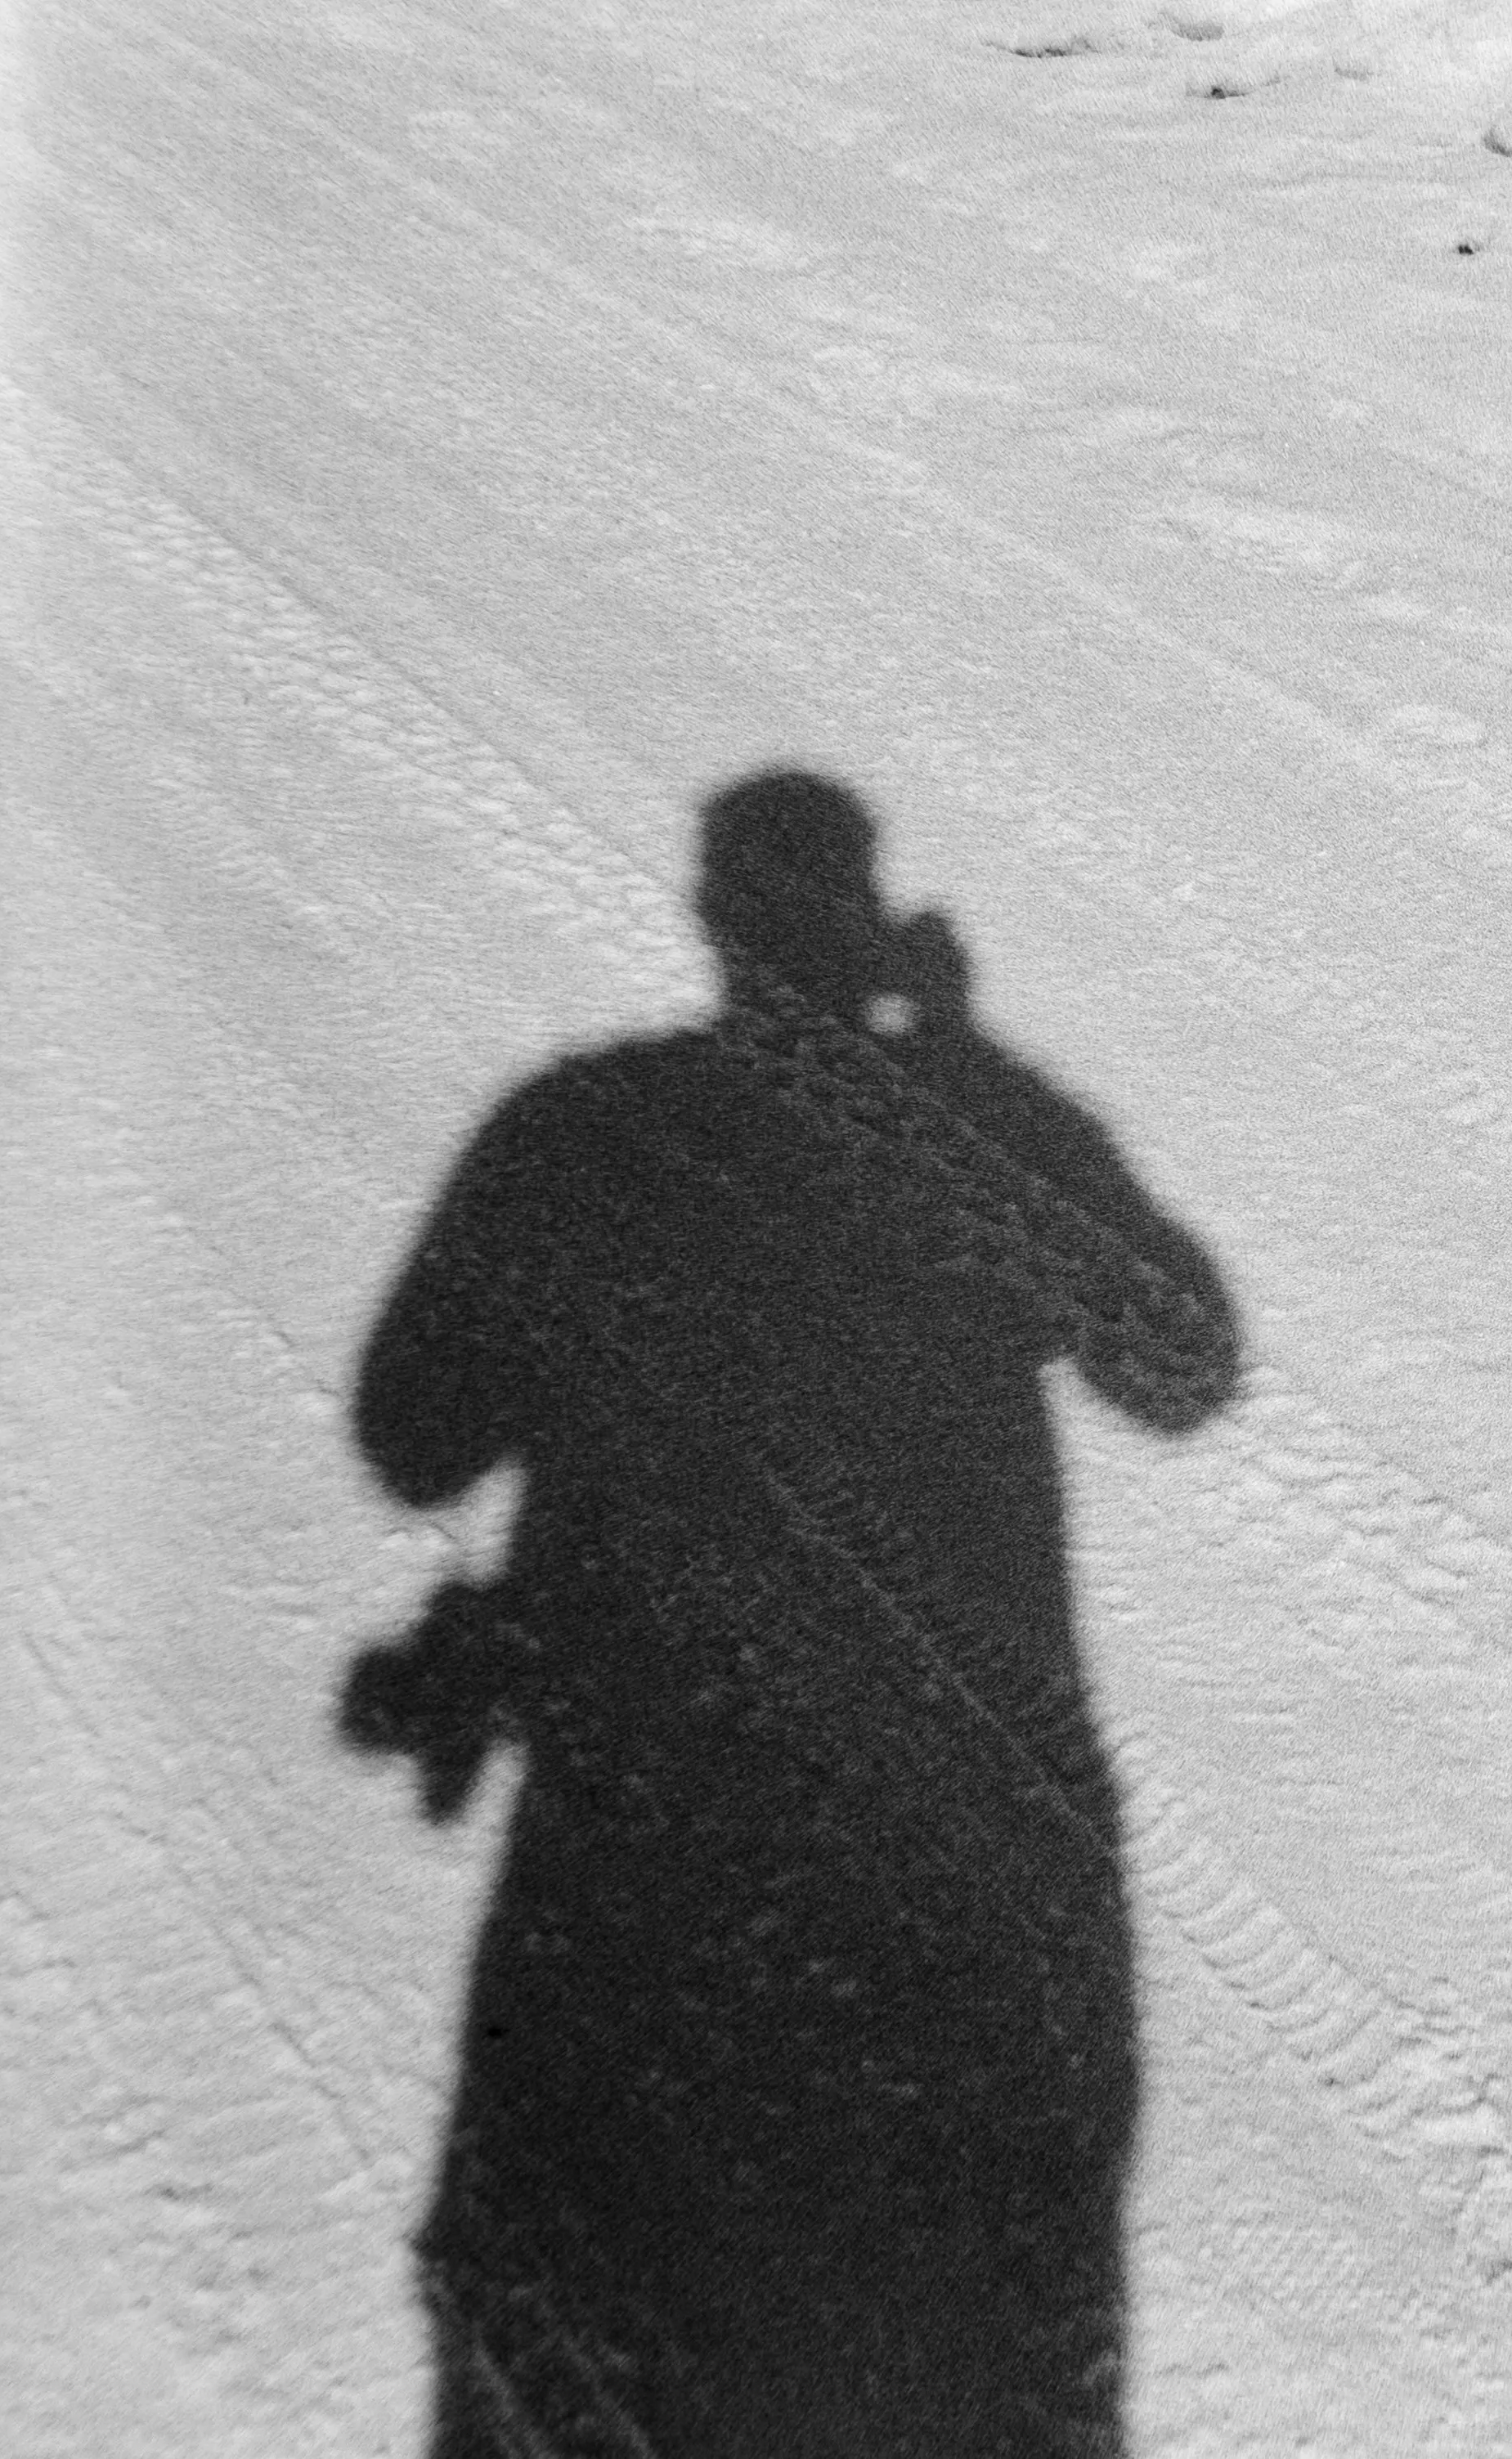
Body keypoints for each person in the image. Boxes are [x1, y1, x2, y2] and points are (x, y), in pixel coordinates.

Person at [345, 770, 1236, 2457]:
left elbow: (412, 1432)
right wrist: (957, 1063)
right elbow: (1179, 1359)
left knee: (593, 2371)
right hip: (967, 1902)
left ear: (708, 921)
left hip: (643, 1879)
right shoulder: (963, 1129)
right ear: (871, 928)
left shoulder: (585, 1130)